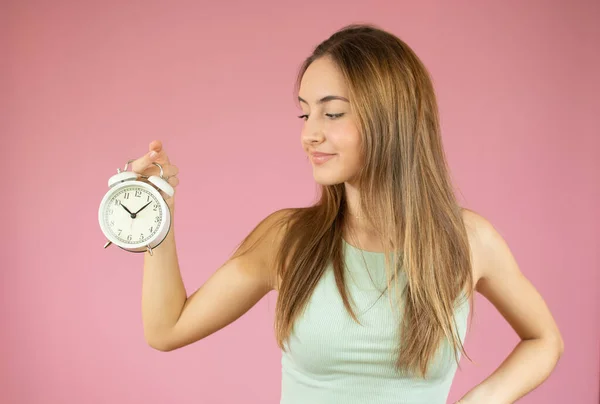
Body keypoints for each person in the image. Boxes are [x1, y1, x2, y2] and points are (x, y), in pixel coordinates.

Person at [129, 24, 563, 404]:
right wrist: (154, 213)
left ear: (391, 117)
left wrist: (484, 399)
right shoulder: (288, 238)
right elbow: (166, 328)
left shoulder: (469, 241)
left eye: (332, 113)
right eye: (305, 112)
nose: (308, 133)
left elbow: (545, 340)